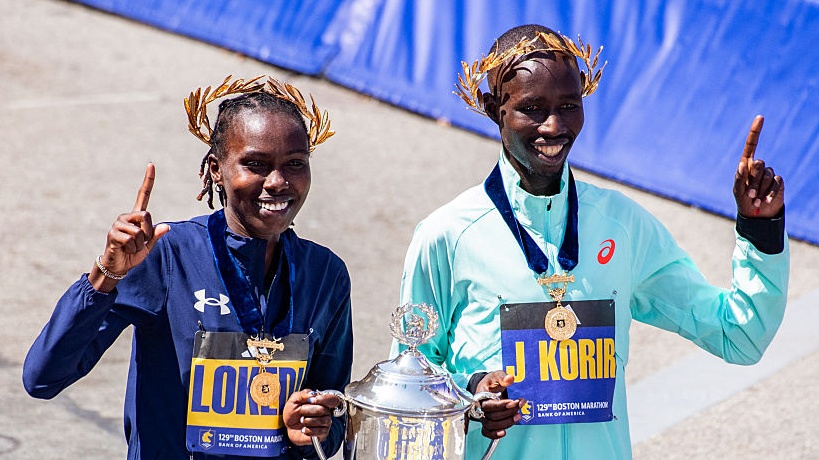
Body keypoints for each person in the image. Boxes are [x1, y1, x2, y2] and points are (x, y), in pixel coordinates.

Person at [396, 24, 788, 459]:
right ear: (494, 108)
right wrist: (472, 396)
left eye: (569, 105)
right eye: (532, 108)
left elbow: (739, 335)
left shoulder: (622, 226)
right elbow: (407, 378)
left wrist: (760, 230)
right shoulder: (447, 235)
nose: (554, 126)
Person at [23, 76, 352, 459]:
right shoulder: (166, 255)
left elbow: (333, 410)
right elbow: (42, 378)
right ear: (216, 169)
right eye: (256, 164)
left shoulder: (326, 274)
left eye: (295, 164)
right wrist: (106, 276)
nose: (277, 182)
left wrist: (312, 429)